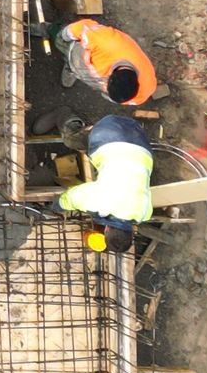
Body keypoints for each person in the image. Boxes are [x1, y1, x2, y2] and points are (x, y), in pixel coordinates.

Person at [55, 113, 154, 253]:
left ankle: (92, 130)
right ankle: (67, 118)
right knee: (72, 141)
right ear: (106, 229)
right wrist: (58, 205)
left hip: (140, 141)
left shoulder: (144, 214)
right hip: (109, 134)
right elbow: (73, 197)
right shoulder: (101, 203)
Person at [53, 17, 157, 106]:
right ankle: (50, 30)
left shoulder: (143, 91)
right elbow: (83, 27)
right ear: (109, 77)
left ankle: (72, 69)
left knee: (80, 71)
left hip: (93, 71)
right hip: (82, 53)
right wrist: (64, 35)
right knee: (61, 42)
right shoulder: (107, 41)